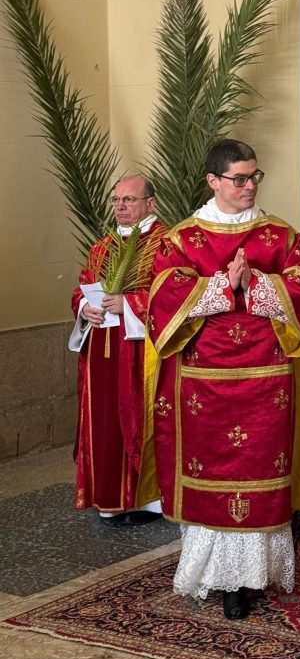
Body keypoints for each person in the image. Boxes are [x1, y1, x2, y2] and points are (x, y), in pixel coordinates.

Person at [144, 139, 300, 620]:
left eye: (254, 177)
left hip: (267, 382)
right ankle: (223, 580)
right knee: (216, 474)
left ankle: (256, 574)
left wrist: (257, 284)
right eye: (239, 179)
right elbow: (162, 298)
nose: (249, 187)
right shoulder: (181, 239)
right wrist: (224, 285)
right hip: (205, 382)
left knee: (262, 471)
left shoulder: (279, 235)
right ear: (213, 182)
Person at [69, 174, 164, 523]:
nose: (121, 207)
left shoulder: (166, 245)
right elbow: (82, 287)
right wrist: (85, 307)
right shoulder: (103, 246)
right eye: (116, 200)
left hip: (140, 350)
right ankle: (109, 496)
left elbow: (174, 296)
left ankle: (147, 498)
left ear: (150, 204)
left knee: (138, 417)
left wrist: (129, 303)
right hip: (100, 350)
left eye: (130, 199)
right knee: (104, 421)